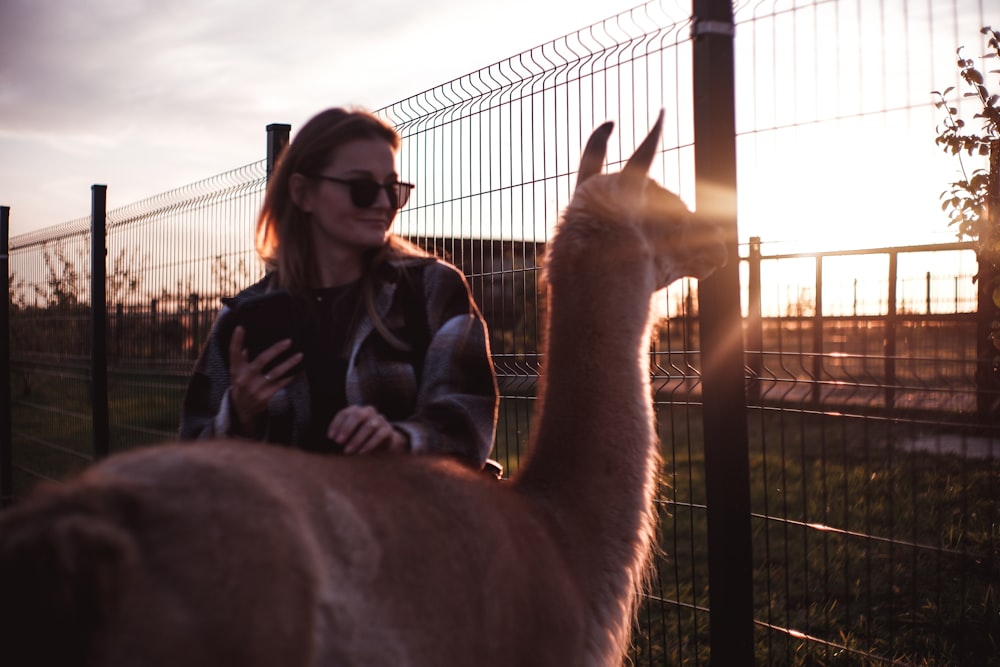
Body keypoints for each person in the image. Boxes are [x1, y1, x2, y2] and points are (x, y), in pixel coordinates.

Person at [180, 107, 499, 469]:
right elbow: (193, 464)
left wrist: (399, 440)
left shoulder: (429, 290)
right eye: (362, 188)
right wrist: (239, 414)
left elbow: (468, 424)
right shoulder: (245, 318)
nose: (383, 204)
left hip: (400, 521)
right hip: (290, 524)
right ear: (303, 193)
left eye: (393, 189)